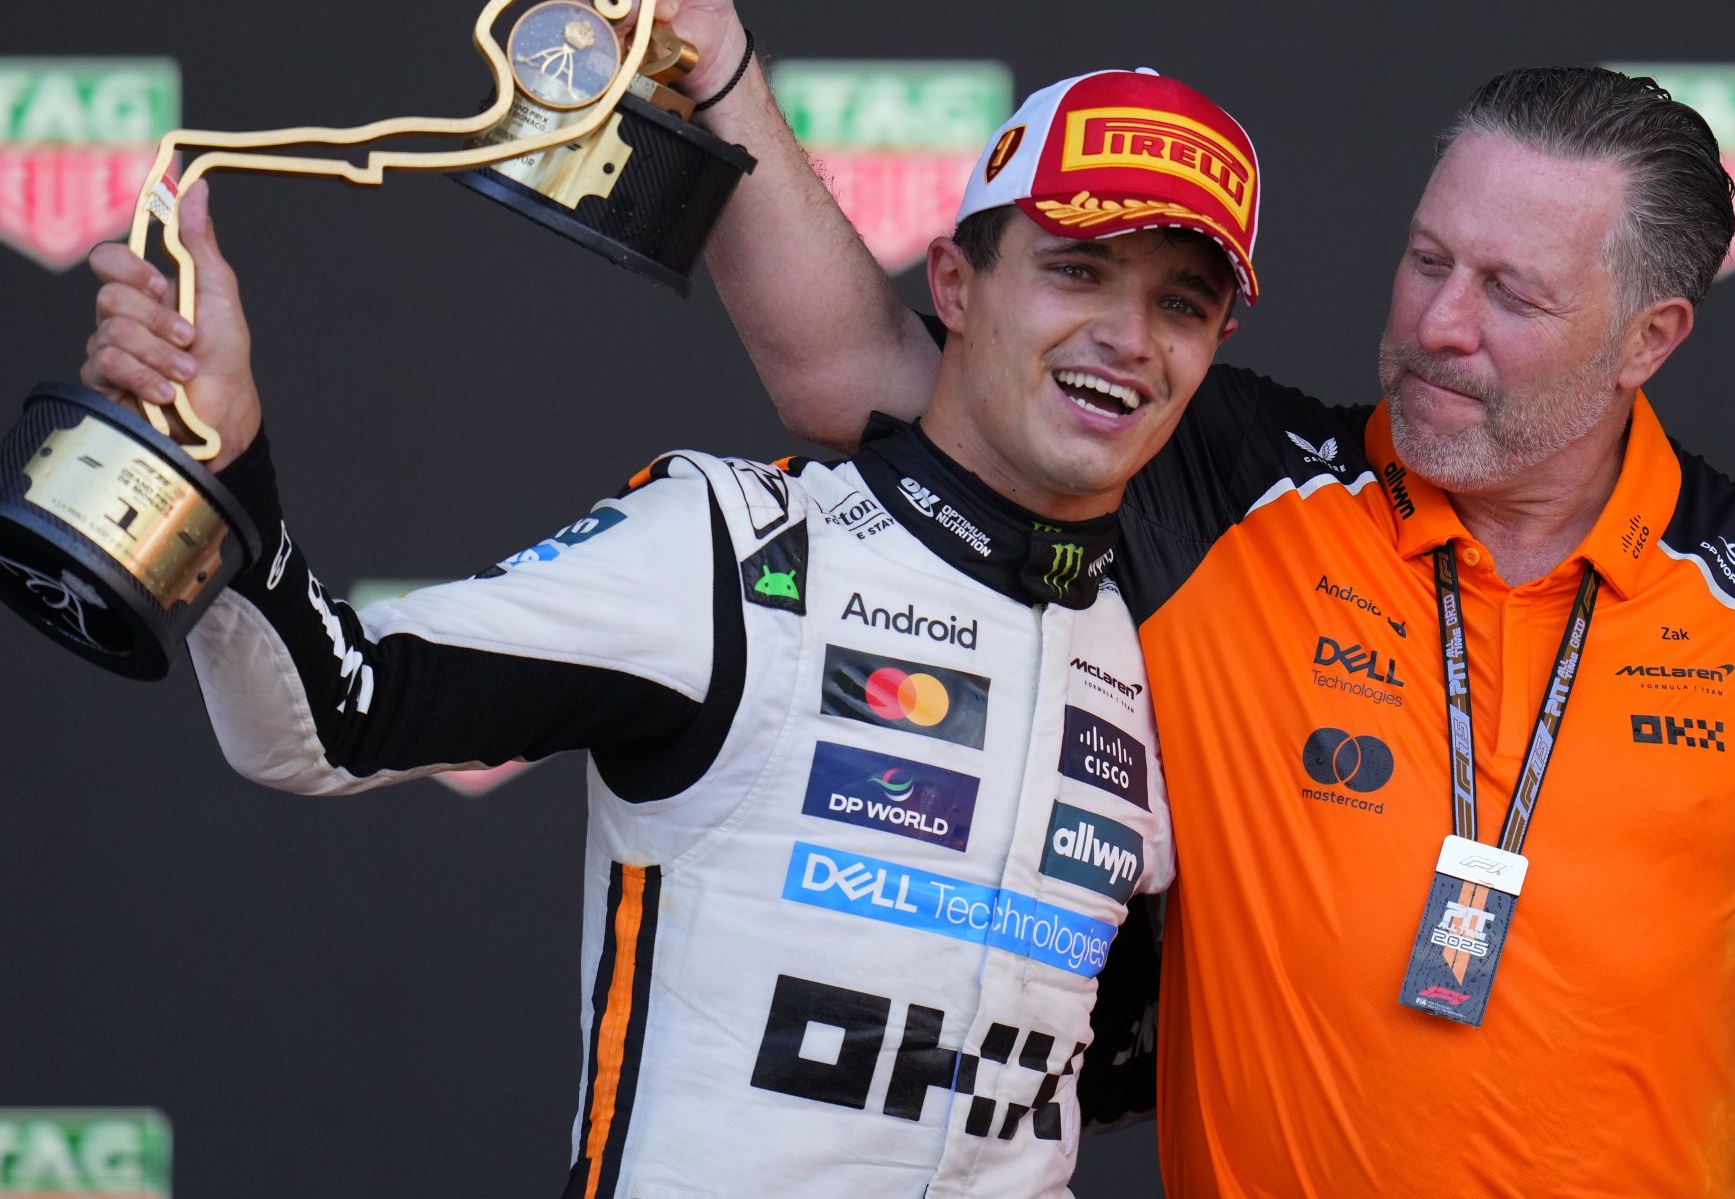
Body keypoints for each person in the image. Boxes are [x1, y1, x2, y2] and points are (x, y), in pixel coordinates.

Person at [568, 0, 1735, 1195]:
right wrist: (719, 61)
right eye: (1429, 259)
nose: (1440, 323)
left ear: (1648, 338)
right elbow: (848, 372)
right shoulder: (1227, 478)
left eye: (1512, 293)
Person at [79, 64, 1265, 1199]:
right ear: (954, 285)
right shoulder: (737, 548)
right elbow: (326, 720)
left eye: (1181, 303)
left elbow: (1118, 1062)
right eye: (1077, 271)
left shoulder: (1177, 651)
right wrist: (223, 462)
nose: (1128, 336)